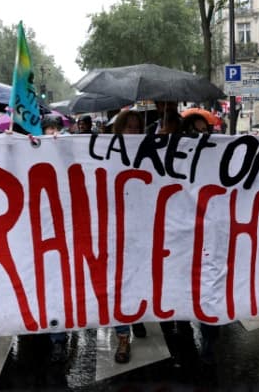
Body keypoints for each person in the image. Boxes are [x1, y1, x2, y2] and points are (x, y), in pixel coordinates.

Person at [109, 110, 148, 364]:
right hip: (114, 231)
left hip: (143, 230)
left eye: (136, 128)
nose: (132, 132)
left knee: (139, 278)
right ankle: (123, 337)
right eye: (128, 127)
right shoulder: (106, 152)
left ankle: (139, 315)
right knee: (118, 285)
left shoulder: (150, 153)